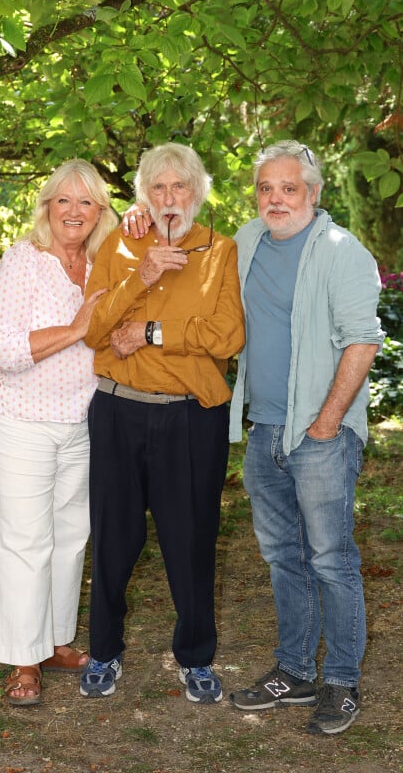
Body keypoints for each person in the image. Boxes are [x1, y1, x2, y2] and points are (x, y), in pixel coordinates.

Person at [78, 143, 245, 703]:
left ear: (197, 194)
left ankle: (195, 658)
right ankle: (104, 650)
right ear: (142, 195)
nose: (169, 198)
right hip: (119, 412)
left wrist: (153, 335)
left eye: (180, 187)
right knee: (113, 538)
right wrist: (141, 275)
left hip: (190, 421)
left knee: (191, 542)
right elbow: (97, 330)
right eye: (158, 187)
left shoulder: (219, 251)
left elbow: (227, 336)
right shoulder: (119, 246)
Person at [228, 140, 384, 735]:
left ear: (314, 194)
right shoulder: (246, 241)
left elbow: (362, 340)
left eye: (289, 188)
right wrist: (142, 216)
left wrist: (326, 421)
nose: (276, 199)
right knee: (282, 559)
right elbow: (186, 257)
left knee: (332, 561)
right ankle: (293, 671)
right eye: (266, 188)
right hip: (263, 429)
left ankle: (341, 682)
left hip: (321, 435)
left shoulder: (344, 252)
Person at [0, 159, 117, 706]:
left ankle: (56, 641)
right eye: (64, 200)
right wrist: (77, 329)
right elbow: (0, 347)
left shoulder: (106, 266)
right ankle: (22, 660)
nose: (74, 211)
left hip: (83, 422)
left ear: (100, 212)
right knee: (23, 544)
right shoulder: (22, 262)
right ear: (47, 207)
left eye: (86, 202)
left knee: (69, 539)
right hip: (23, 422)